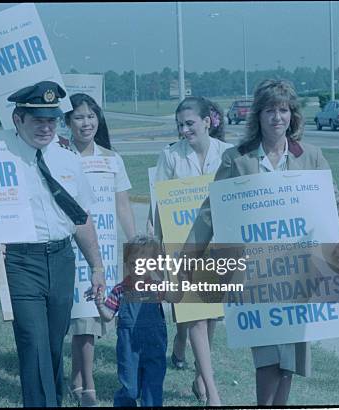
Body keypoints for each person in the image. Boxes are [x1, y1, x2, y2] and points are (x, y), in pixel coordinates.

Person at [184, 79, 339, 405]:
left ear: (292, 115)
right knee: (267, 357)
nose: (277, 117)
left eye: (284, 110)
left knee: (289, 362)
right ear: (258, 115)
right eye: (270, 110)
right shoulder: (238, 159)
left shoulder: (311, 156)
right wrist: (190, 253)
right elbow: (211, 210)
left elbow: (338, 201)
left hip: (301, 273)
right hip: (257, 276)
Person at [0, 81, 106, 407]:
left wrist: (97, 266)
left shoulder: (67, 160)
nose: (46, 128)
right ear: (18, 120)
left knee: (51, 345)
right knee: (33, 344)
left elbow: (81, 218)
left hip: (62, 260)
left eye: (51, 120)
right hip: (21, 261)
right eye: (38, 121)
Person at [151, 96, 231, 405]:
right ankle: (211, 390)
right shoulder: (170, 157)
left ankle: (200, 373)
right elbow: (159, 206)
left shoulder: (228, 154)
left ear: (208, 121)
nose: (184, 130)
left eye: (190, 123)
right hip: (181, 247)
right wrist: (156, 249)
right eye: (180, 125)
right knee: (197, 314)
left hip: (218, 246)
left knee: (210, 315)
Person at [64, 93, 136, 406]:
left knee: (96, 318)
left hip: (104, 248)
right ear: (68, 122)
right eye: (79, 117)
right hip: (73, 247)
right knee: (82, 317)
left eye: (91, 116)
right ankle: (88, 388)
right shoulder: (59, 155)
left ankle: (76, 378)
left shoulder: (112, 159)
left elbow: (123, 205)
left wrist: (136, 247)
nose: (86, 123)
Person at [90, 235, 169, 407]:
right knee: (130, 389)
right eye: (133, 263)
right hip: (128, 349)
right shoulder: (121, 289)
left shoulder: (158, 287)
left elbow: (175, 296)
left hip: (155, 347)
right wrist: (99, 304)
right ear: (127, 264)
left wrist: (163, 269)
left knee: (153, 389)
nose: (137, 269)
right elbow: (108, 315)